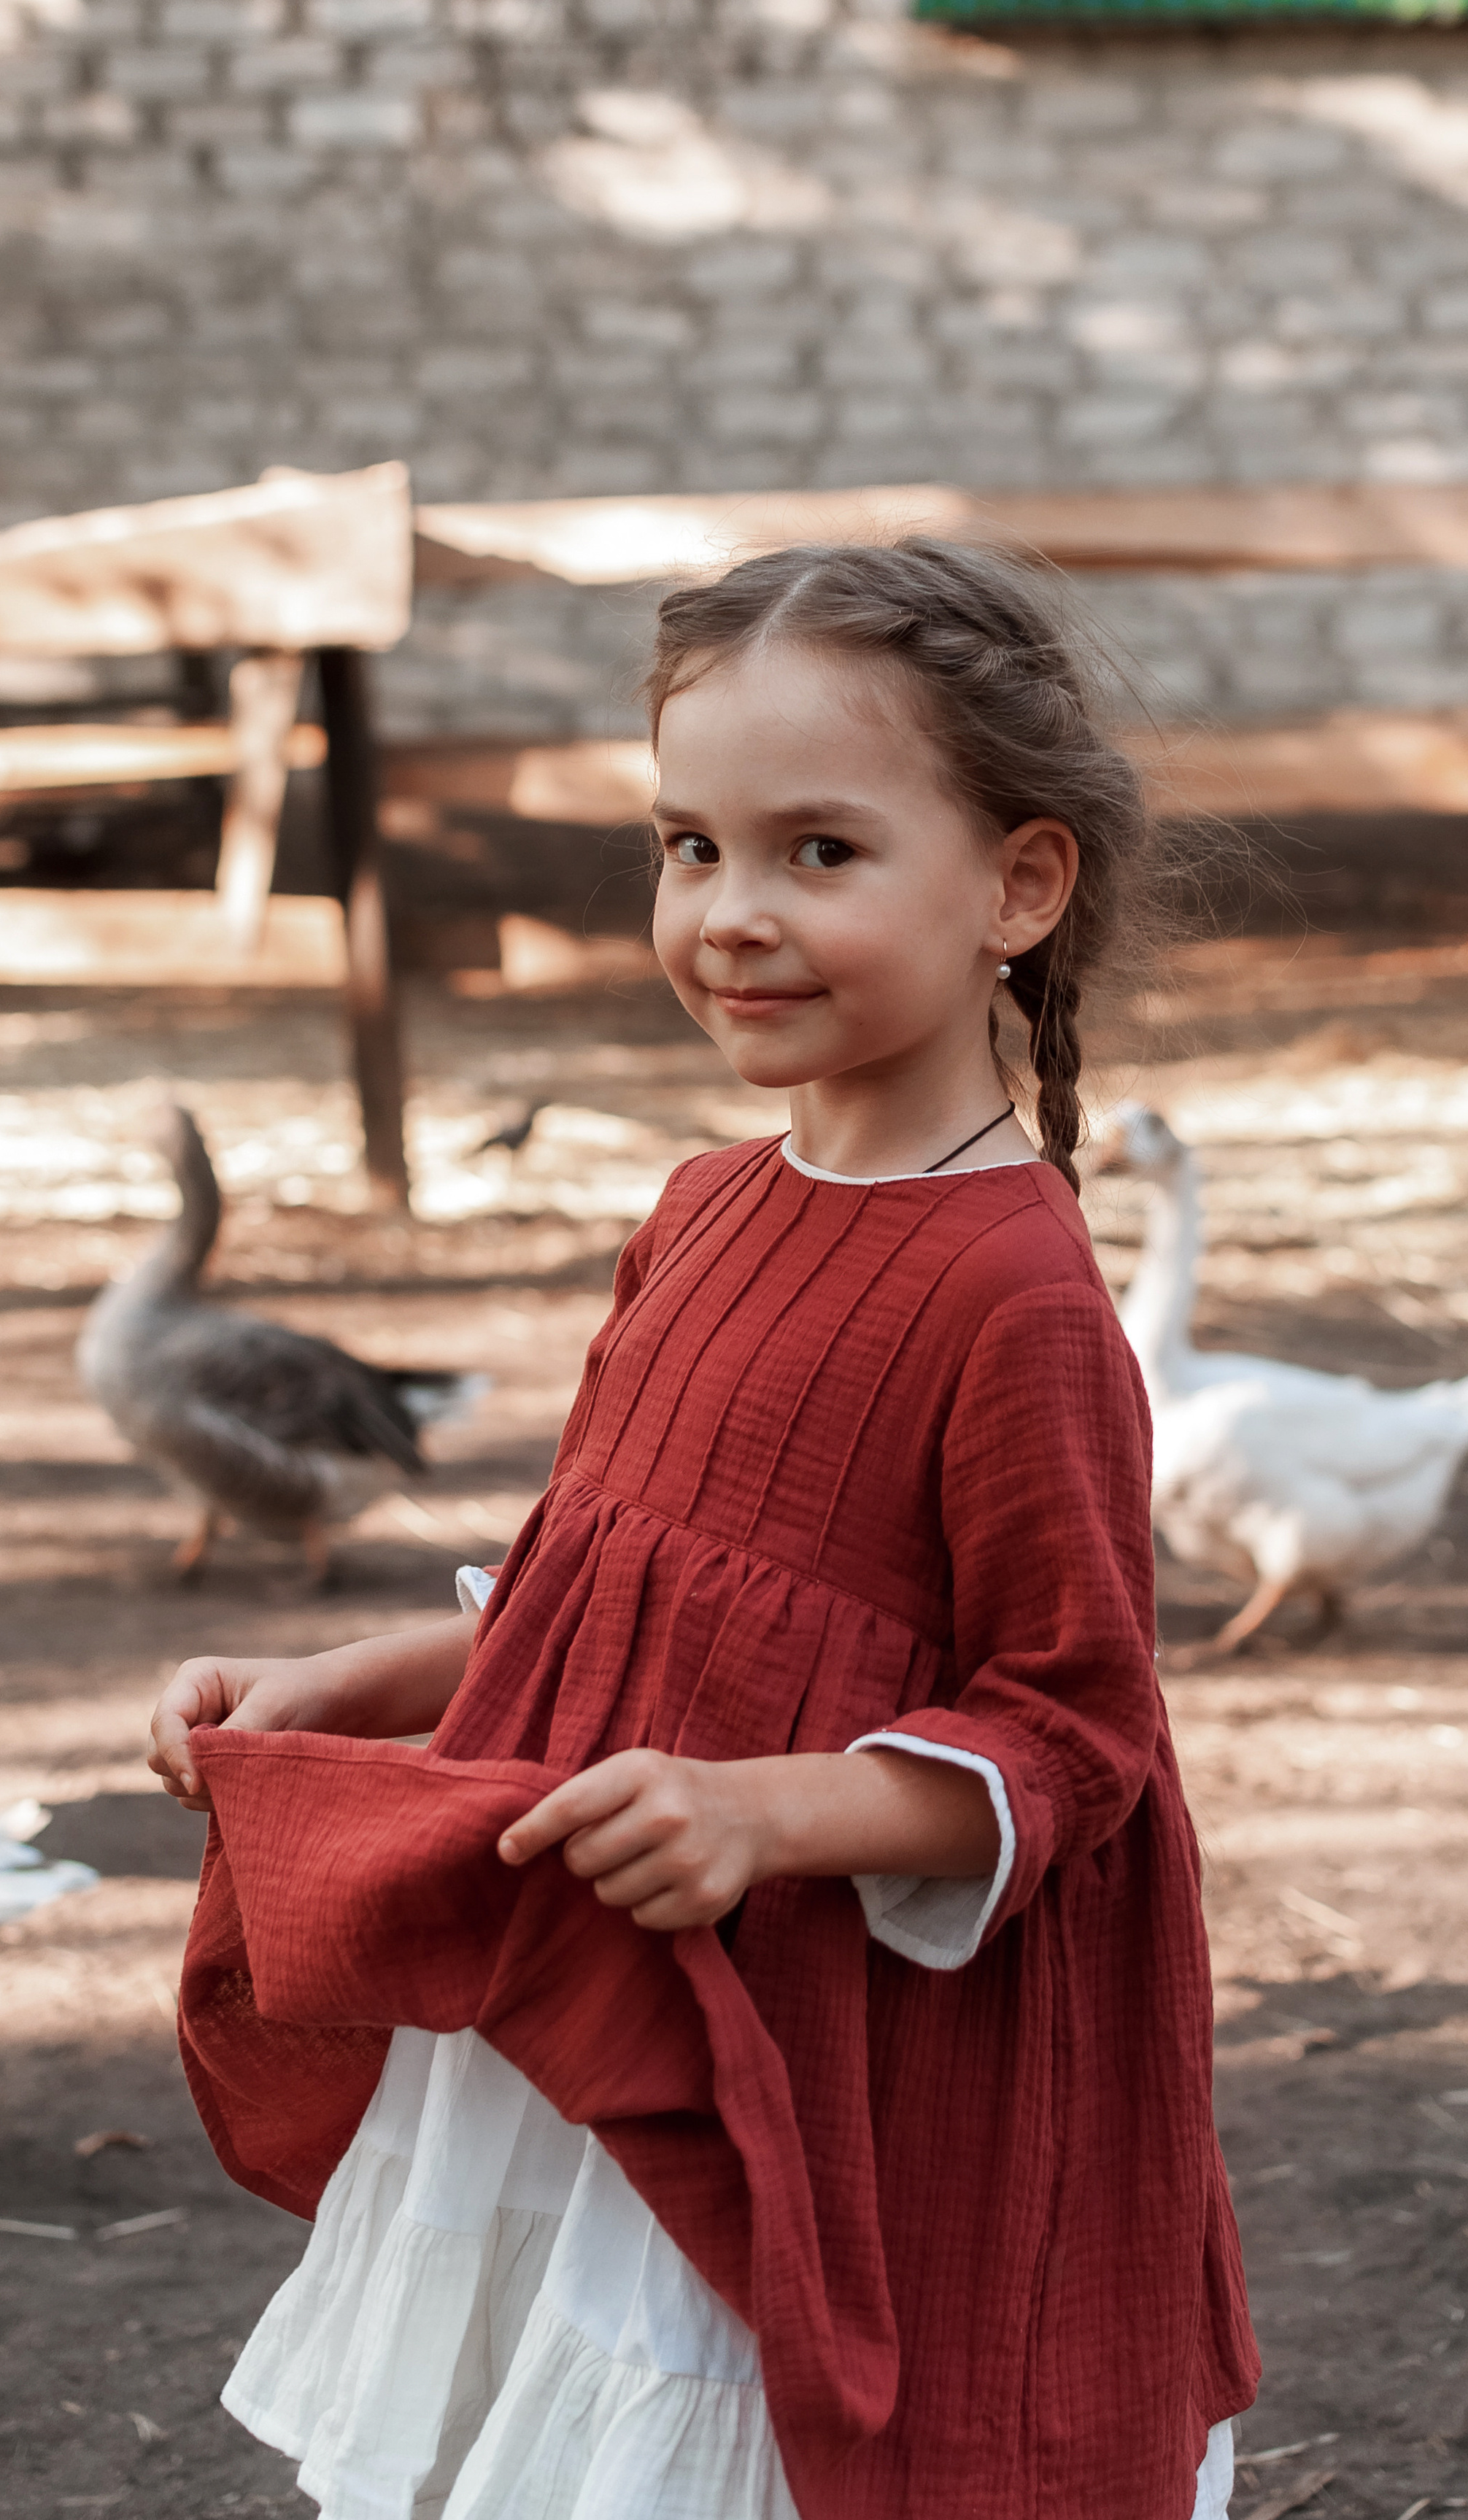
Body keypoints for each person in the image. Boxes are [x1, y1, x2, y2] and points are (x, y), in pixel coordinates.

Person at [150, 538, 1259, 2520]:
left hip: (848, 2054)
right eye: (688, 848)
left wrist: (772, 1812)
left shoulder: (1012, 1294)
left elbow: (1076, 1738)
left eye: (817, 852)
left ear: (1019, 884)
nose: (731, 917)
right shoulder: (698, 1208)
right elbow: (600, 1590)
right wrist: (353, 1686)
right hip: (643, 1998)